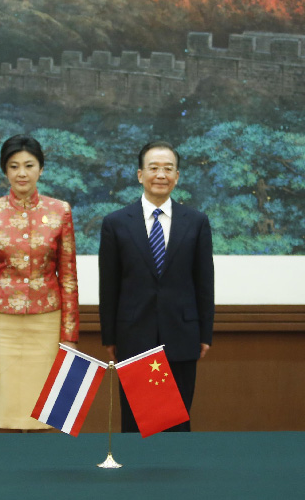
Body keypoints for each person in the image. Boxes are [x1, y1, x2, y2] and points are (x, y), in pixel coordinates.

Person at [99, 140, 214, 433]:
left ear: (177, 177)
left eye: (168, 169)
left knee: (177, 419)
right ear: (140, 175)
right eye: (153, 168)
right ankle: (136, 477)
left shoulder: (197, 222)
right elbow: (109, 284)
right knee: (136, 421)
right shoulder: (116, 223)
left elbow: (204, 282)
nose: (160, 175)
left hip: (183, 334)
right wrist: (110, 335)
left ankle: (175, 477)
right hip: (134, 335)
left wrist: (205, 333)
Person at [0, 134, 79, 431]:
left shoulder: (60, 211)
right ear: (5, 171)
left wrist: (70, 334)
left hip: (48, 321)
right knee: (7, 406)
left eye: (29, 165)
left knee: (50, 407)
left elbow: (68, 277)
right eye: (14, 166)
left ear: (41, 169)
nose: (22, 173)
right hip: (1, 324)